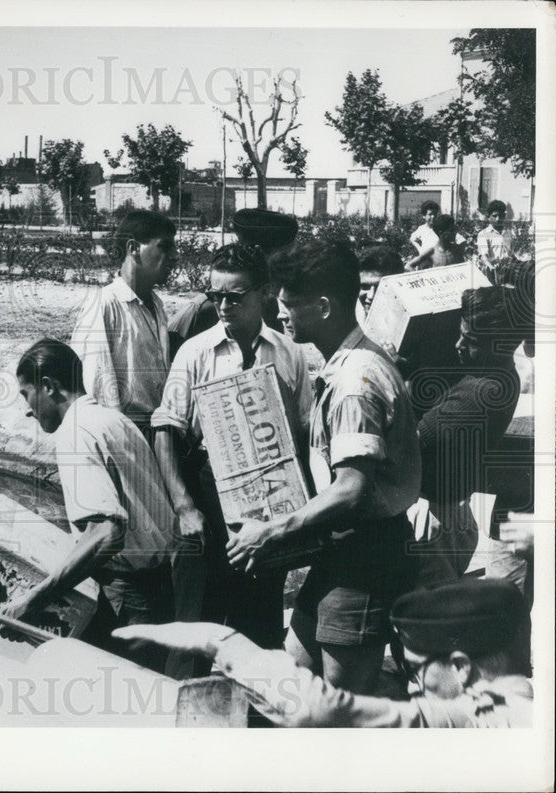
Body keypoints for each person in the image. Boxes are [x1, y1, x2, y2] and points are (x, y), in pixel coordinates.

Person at [227, 240, 421, 694]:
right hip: (342, 553)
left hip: (366, 558)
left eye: (290, 303)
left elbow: (351, 490)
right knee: (293, 678)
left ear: (324, 307)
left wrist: (271, 531)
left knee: (342, 705)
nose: (280, 313)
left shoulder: (355, 381)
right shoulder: (350, 363)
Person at [152, 244, 311, 677]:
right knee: (195, 630)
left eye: (235, 297)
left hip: (269, 502)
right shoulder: (196, 352)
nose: (223, 306)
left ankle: (252, 714)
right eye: (215, 295)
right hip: (207, 497)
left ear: (264, 293)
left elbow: (305, 435)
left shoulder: (289, 353)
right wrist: (184, 507)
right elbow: (166, 429)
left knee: (258, 629)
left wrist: (297, 519)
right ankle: (182, 709)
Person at [114, 578, 533, 727]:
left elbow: (317, 708)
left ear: (460, 667)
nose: (411, 686)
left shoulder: (484, 718)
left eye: (416, 670)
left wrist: (217, 639)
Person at [2, 339, 176, 672]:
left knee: (110, 695)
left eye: (26, 395)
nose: (27, 409)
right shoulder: (112, 419)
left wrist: (35, 598)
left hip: (125, 598)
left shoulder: (75, 434)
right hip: (158, 587)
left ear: (49, 387)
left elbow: (107, 533)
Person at [410, 287, 523, 584]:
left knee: (425, 606)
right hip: (451, 513)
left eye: (471, 341)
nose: (458, 345)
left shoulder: (480, 393)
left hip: (435, 519)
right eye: (461, 334)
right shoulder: (500, 374)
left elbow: (412, 440)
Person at [70, 210, 176, 434]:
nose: (174, 256)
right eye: (164, 247)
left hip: (158, 433)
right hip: (124, 433)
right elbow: (97, 387)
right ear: (133, 248)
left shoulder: (157, 306)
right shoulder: (104, 305)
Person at [168, 209, 298, 358]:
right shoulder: (204, 309)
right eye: (284, 257)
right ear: (260, 253)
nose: (290, 265)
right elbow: (164, 359)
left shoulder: (270, 304)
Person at [476, 199, 529, 284]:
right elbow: (484, 256)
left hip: (508, 273)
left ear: (504, 216)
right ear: (488, 216)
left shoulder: (508, 233)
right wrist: (491, 267)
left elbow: (511, 254)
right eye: (494, 216)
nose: (498, 219)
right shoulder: (483, 234)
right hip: (491, 273)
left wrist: (521, 264)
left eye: (500, 216)